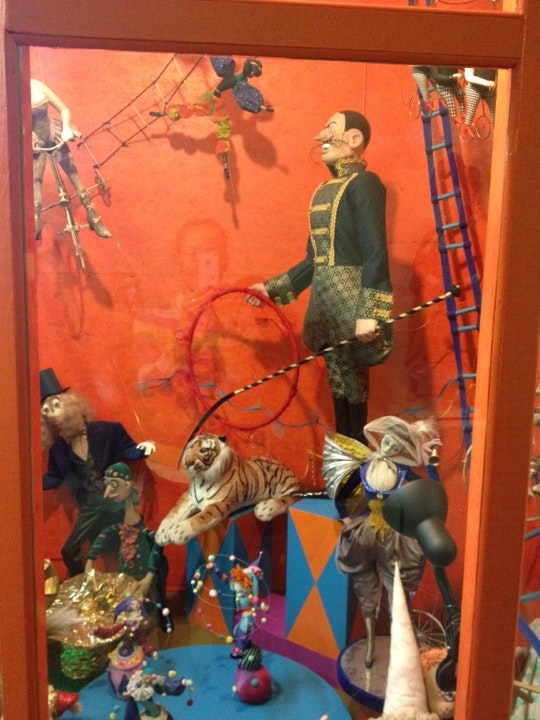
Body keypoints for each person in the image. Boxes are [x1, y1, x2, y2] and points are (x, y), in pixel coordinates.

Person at [247, 110, 393, 442]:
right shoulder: (325, 191)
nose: (320, 136)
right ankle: (346, 458)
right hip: (326, 305)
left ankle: (355, 458)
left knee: (354, 387)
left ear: (355, 139)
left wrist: (370, 311)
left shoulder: (365, 184)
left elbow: (375, 251)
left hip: (352, 303)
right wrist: (271, 289)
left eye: (331, 127)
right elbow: (315, 261)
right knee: (339, 385)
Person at [322, 415, 441, 668]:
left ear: (401, 448)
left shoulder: (402, 470)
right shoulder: (365, 467)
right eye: (387, 439)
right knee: (364, 588)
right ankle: (370, 645)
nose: (389, 444)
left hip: (394, 537)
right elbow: (342, 493)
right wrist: (346, 519)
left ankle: (406, 651)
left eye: (395, 443)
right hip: (365, 532)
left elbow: (429, 489)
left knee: (398, 593)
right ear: (381, 437)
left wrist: (428, 461)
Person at [40, 367, 155, 576]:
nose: (52, 415)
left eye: (55, 405)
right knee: (69, 551)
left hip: (116, 499)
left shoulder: (109, 430)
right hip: (90, 505)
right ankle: (79, 584)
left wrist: (142, 448)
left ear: (71, 403)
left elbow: (128, 449)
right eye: (46, 411)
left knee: (129, 548)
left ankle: (138, 583)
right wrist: (24, 482)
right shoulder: (58, 448)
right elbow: (53, 477)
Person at [31, 77, 111, 239]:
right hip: (35, 142)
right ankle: (36, 221)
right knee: (36, 183)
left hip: (54, 134)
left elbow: (64, 109)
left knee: (75, 177)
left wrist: (66, 128)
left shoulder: (37, 85)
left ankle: (92, 215)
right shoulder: (11, 94)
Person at [85, 462, 169, 608]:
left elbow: (158, 544)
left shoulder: (144, 532)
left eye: (114, 484)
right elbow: (104, 536)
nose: (108, 491)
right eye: (107, 484)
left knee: (148, 606)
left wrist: (149, 577)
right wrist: (90, 560)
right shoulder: (118, 527)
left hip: (144, 581)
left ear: (128, 486)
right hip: (127, 581)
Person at [461, 68, 497, 139]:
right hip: (474, 88)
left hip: (488, 89)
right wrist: (487, 83)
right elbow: (468, 76)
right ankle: (466, 126)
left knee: (495, 112)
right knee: (471, 110)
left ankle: (496, 128)